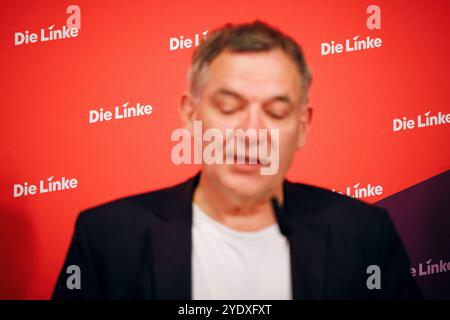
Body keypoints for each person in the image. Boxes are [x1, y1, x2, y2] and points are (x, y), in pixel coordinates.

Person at [53, 20, 421, 299]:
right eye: (229, 107)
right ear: (190, 115)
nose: (251, 131)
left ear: (303, 126)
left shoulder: (365, 236)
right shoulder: (106, 238)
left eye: (276, 112)